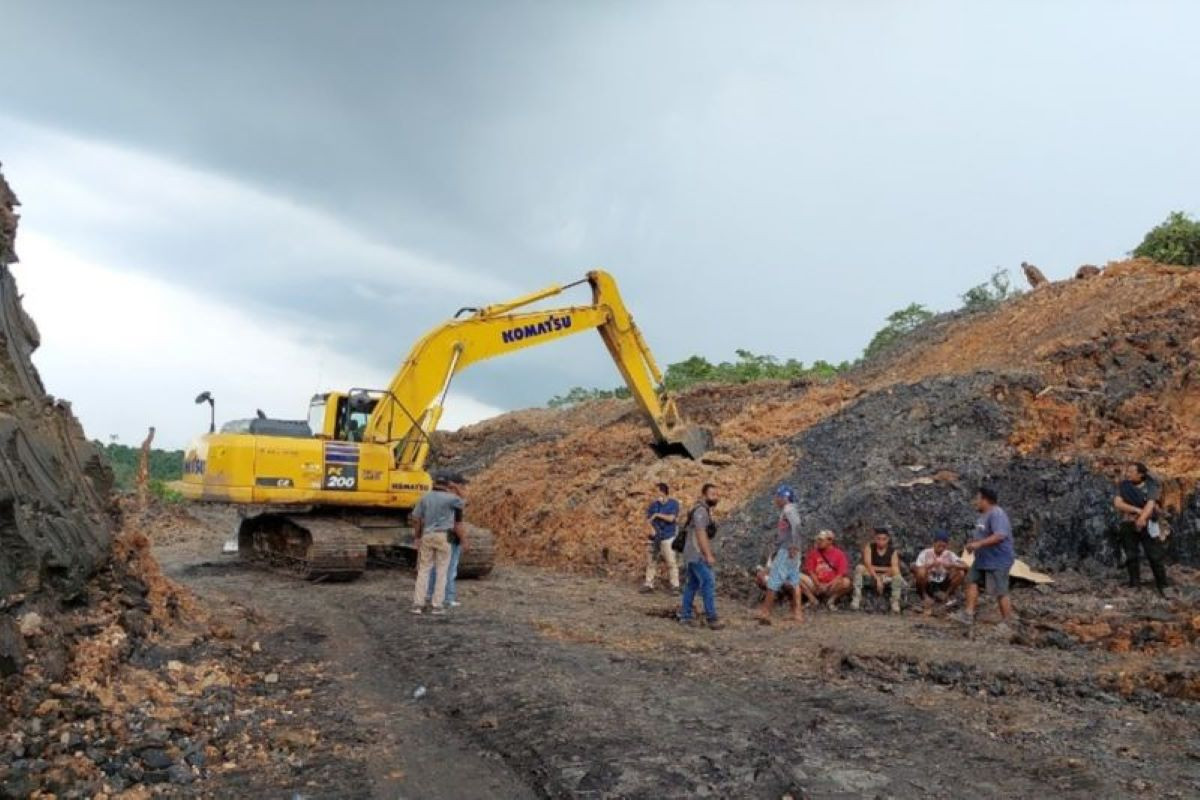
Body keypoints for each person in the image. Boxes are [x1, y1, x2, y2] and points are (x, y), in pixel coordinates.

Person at [957, 486, 1015, 627]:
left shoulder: (997, 514)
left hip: (998, 560)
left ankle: (1008, 622)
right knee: (971, 580)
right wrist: (972, 545)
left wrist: (979, 544)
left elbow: (1000, 535)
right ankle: (968, 614)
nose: (975, 502)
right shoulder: (984, 515)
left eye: (978, 498)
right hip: (983, 560)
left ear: (985, 499)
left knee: (1000, 591)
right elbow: (983, 535)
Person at [411, 473, 468, 615]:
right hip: (444, 535)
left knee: (423, 570)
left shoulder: (425, 497)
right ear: (446, 485)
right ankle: (437, 605)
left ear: (434, 483)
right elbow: (465, 502)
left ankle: (418, 604)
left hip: (427, 535)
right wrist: (456, 488)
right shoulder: (451, 499)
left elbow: (417, 518)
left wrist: (417, 537)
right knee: (442, 571)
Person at [1113, 462, 1169, 597]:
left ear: (1141, 474)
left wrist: (1142, 518)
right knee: (1131, 555)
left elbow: (1150, 504)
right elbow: (1118, 503)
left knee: (1154, 555)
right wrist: (1136, 510)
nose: (1128, 474)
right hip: (1128, 523)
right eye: (1128, 471)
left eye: (1132, 471)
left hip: (1149, 524)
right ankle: (1134, 583)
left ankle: (1163, 585)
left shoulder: (1151, 486)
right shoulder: (1124, 486)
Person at [755, 485, 804, 624]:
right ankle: (797, 613)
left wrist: (794, 545)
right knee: (794, 581)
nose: (775, 500)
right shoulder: (790, 509)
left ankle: (765, 611)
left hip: (787, 550)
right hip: (790, 549)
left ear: (784, 497)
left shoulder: (788, 510)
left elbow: (797, 526)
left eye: (777, 497)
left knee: (774, 580)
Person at [679, 483, 724, 630]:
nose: (715, 497)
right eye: (712, 494)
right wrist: (708, 555)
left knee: (692, 584)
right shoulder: (701, 511)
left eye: (717, 494)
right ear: (704, 495)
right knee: (708, 581)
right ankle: (712, 617)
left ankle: (685, 615)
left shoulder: (704, 510)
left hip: (691, 553)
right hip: (696, 553)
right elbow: (700, 533)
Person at [851, 526, 904, 613]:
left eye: (884, 539)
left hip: (886, 575)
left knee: (896, 571)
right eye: (878, 539)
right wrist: (877, 578)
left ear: (888, 539)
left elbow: (894, 567)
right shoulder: (869, 547)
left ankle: (895, 601)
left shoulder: (892, 551)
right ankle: (856, 598)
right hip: (871, 573)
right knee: (859, 568)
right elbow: (868, 564)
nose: (881, 542)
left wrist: (882, 576)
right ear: (875, 539)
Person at [641, 482, 681, 593]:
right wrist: (651, 529)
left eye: (657, 491)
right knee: (651, 561)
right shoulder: (654, 505)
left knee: (671, 562)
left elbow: (671, 519)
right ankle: (649, 584)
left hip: (667, 537)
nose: (655, 494)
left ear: (663, 492)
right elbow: (648, 520)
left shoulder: (673, 503)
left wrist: (658, 515)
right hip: (654, 538)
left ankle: (675, 586)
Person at [912, 530, 966, 612]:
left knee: (961, 573)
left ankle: (946, 595)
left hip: (943, 581)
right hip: (928, 581)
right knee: (921, 572)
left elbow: (966, 566)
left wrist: (952, 565)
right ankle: (924, 595)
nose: (941, 547)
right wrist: (931, 565)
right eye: (939, 544)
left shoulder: (949, 554)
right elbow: (917, 568)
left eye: (944, 545)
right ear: (934, 543)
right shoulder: (925, 553)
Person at [800, 530, 851, 610]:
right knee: (796, 577)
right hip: (816, 584)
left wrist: (828, 585)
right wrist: (818, 584)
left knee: (846, 582)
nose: (818, 542)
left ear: (830, 541)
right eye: (818, 539)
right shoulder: (813, 553)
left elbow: (840, 574)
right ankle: (812, 599)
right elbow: (811, 571)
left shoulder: (839, 554)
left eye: (821, 540)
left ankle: (831, 601)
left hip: (831, 585)